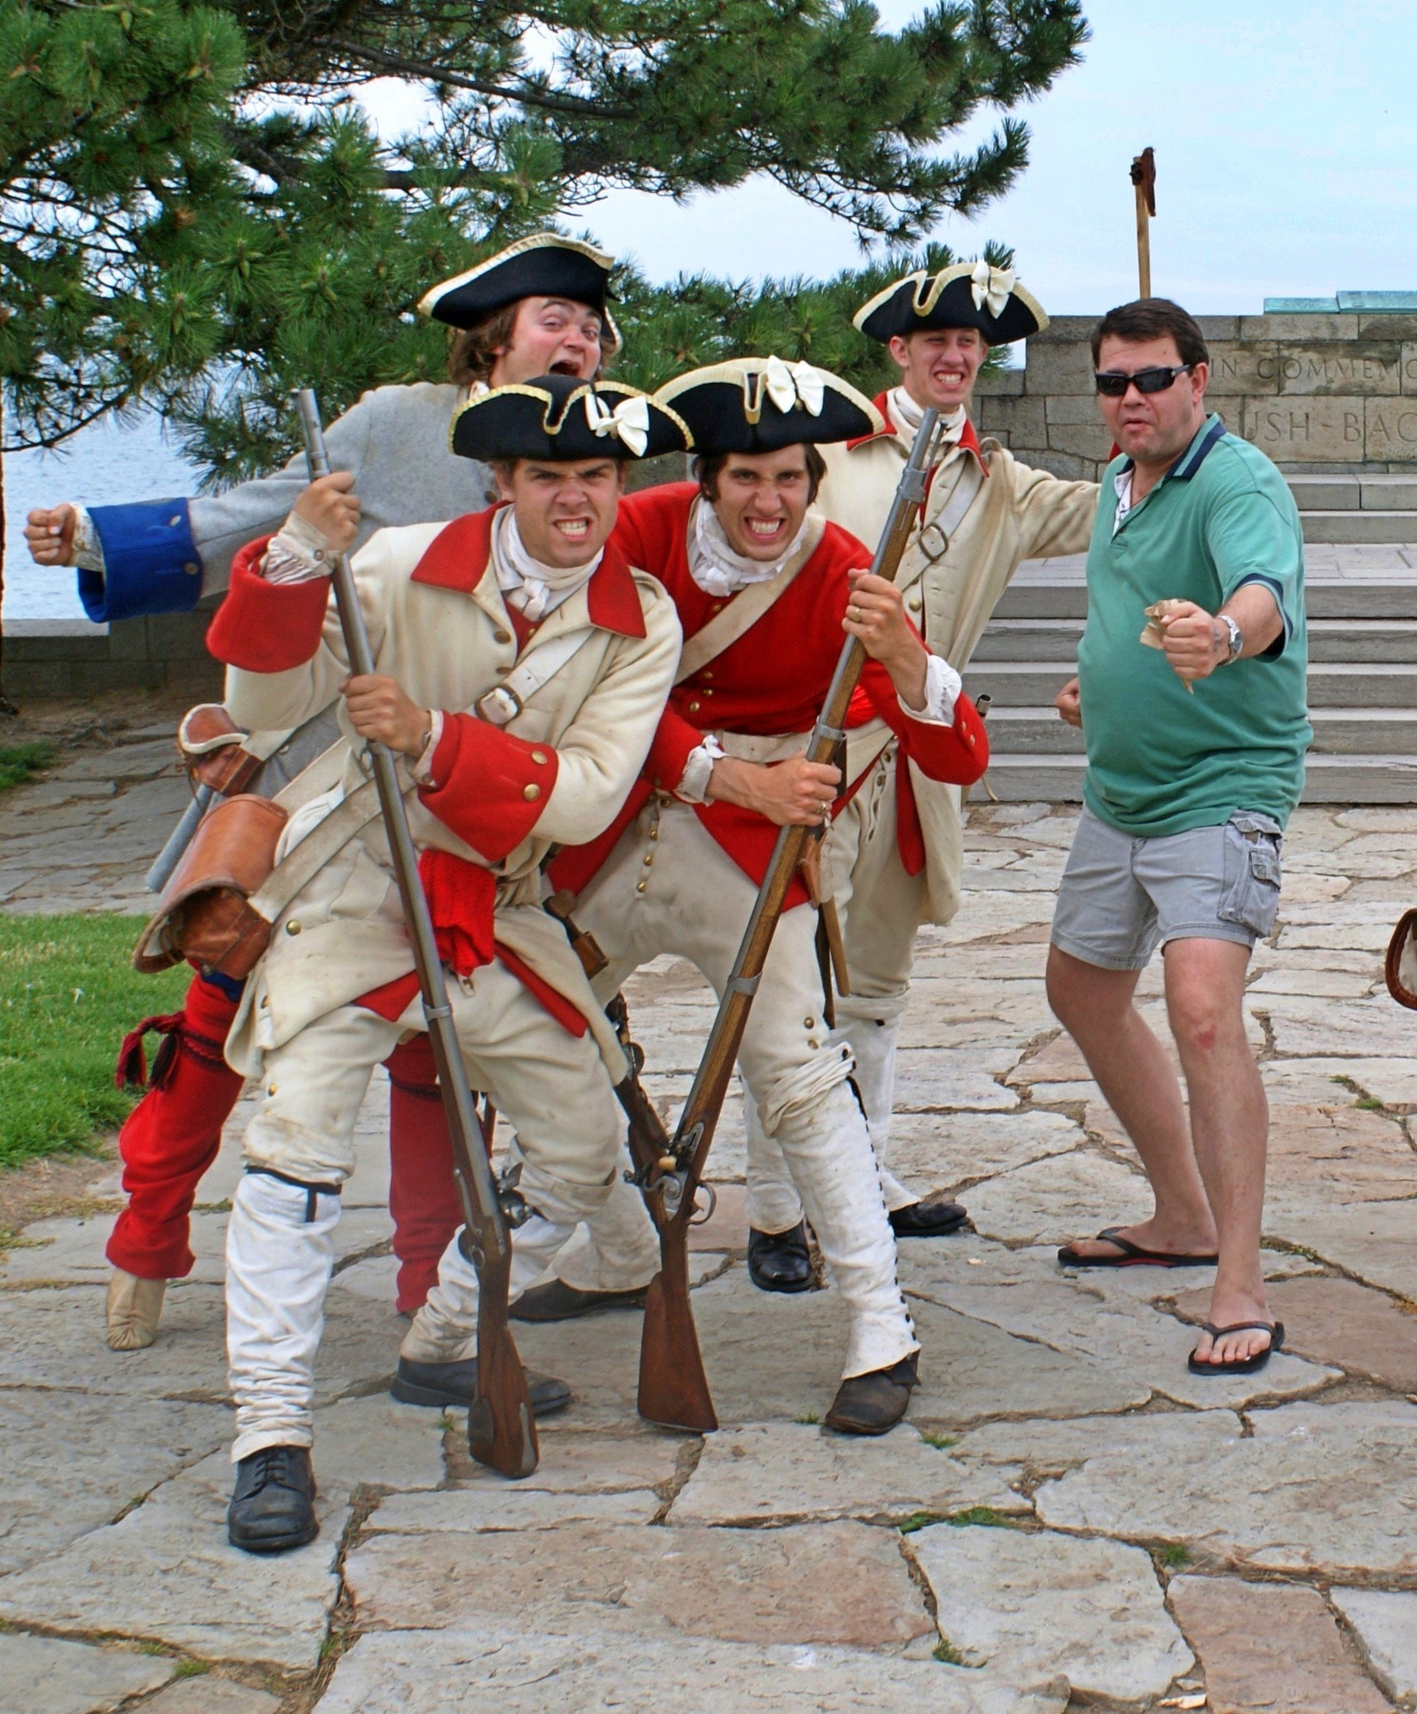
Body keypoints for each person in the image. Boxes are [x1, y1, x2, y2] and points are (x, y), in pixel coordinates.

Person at [77, 235, 629, 1353]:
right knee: (213, 1031)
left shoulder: (603, 443)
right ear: (493, 338)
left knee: (439, 1064)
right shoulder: (389, 423)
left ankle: (434, 1294)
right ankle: (146, 1240)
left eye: (589, 325)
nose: (575, 340)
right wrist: (95, 539)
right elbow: (263, 521)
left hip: (473, 800)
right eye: (552, 320)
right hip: (317, 788)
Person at [206, 373, 683, 1552]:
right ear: (501, 482)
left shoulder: (645, 618)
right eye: (548, 478)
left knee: (580, 1146)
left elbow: (576, 803)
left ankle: (443, 1337)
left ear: (618, 487)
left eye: (596, 478)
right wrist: (293, 561)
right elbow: (260, 702)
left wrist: (430, 735)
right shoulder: (393, 564)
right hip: (359, 882)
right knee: (294, 1140)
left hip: (494, 900)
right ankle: (269, 1437)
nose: (575, 502)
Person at [544, 356, 993, 1435]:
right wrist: (721, 771)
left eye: (790, 478)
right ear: (706, 478)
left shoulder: (844, 567)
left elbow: (962, 751)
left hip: (751, 850)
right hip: (611, 826)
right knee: (535, 1029)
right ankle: (615, 1240)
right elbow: (589, 685)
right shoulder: (639, 533)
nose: (769, 502)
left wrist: (903, 653)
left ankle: (880, 1326)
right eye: (746, 476)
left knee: (799, 1068)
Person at [656, 259, 1099, 1300]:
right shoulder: (821, 461)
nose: (953, 355)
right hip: (810, 766)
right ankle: (775, 1211)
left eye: (970, 342)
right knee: (787, 989)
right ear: (896, 350)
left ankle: (863, 1175)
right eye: (933, 339)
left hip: (921, 760)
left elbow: (1122, 514)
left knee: (877, 993)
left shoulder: (1000, 483)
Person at [1045, 298, 1308, 1377]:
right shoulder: (1117, 485)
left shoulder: (1236, 479)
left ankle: (1237, 1281)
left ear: (1201, 381)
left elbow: (1262, 596)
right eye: (1113, 383)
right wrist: (1097, 687)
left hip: (1222, 784)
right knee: (1081, 989)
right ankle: (1178, 1213)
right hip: (1121, 786)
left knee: (1201, 1009)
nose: (1132, 400)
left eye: (1154, 378)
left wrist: (1222, 635)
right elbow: (1125, 613)